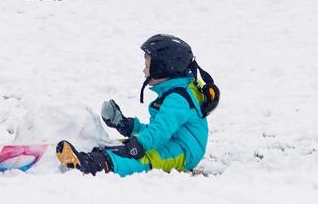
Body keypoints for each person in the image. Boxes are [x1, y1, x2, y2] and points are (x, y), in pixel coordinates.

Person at [57, 34, 218, 176]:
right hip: (175, 140)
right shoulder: (177, 91)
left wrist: (137, 145)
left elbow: (160, 132)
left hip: (184, 152)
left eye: (147, 66)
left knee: (141, 158)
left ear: (162, 69)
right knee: (118, 145)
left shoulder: (178, 99)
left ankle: (92, 165)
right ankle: (92, 154)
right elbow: (161, 129)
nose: (144, 71)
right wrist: (127, 125)